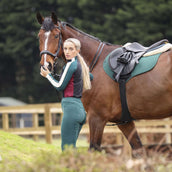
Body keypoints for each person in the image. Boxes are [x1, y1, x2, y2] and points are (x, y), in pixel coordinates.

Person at [40, 38, 91, 151]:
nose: (67, 52)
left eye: (71, 49)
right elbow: (90, 77)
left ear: (77, 51)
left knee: (67, 149)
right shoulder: (81, 65)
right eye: (65, 49)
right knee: (71, 148)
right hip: (79, 110)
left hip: (71, 109)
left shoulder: (71, 65)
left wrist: (48, 75)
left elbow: (60, 86)